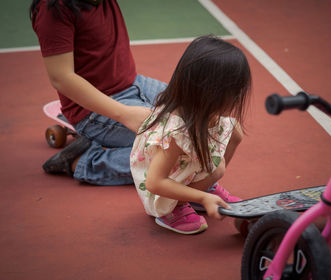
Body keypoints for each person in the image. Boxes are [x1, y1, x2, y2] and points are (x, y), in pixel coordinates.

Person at [30, 0, 166, 185]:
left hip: (135, 84)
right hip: (92, 112)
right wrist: (125, 114)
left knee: (200, 115)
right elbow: (61, 77)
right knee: (176, 149)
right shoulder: (54, 9)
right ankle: (85, 162)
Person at [130, 35, 252, 234]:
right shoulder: (176, 133)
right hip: (161, 190)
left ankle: (204, 187)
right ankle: (175, 207)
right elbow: (154, 182)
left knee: (235, 133)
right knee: (217, 168)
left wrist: (209, 182)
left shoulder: (210, 113)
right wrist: (202, 198)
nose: (238, 97)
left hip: (188, 167)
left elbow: (234, 137)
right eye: (234, 92)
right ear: (208, 92)